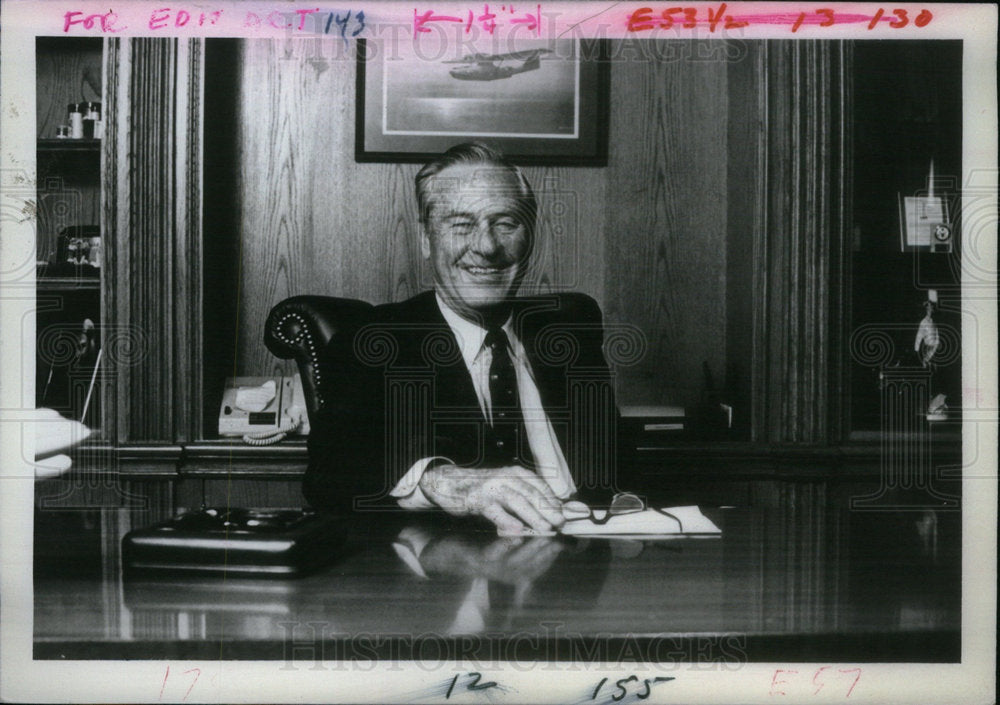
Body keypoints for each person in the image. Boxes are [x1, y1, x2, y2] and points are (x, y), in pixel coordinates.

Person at [305, 143, 628, 533]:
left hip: (587, 563)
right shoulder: (375, 340)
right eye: (461, 225)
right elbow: (330, 476)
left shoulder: (568, 332)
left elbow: (619, 472)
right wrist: (439, 480)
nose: (487, 247)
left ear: (531, 238)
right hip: (451, 577)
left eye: (506, 223)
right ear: (426, 239)